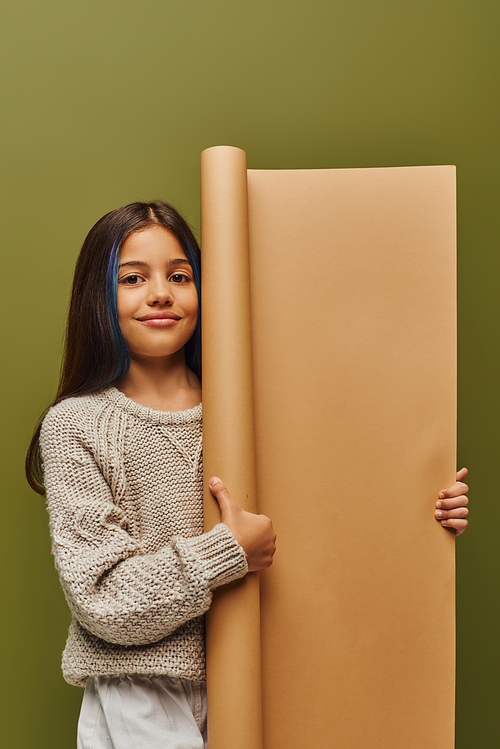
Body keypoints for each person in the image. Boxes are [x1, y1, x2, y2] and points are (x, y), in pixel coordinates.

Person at [26, 200, 468, 749]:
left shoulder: (251, 412)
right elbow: (102, 602)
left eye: (180, 275)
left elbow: (333, 512)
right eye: (133, 278)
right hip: (140, 694)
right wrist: (225, 552)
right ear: (98, 296)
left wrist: (422, 510)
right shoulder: (77, 425)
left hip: (270, 672)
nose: (161, 293)